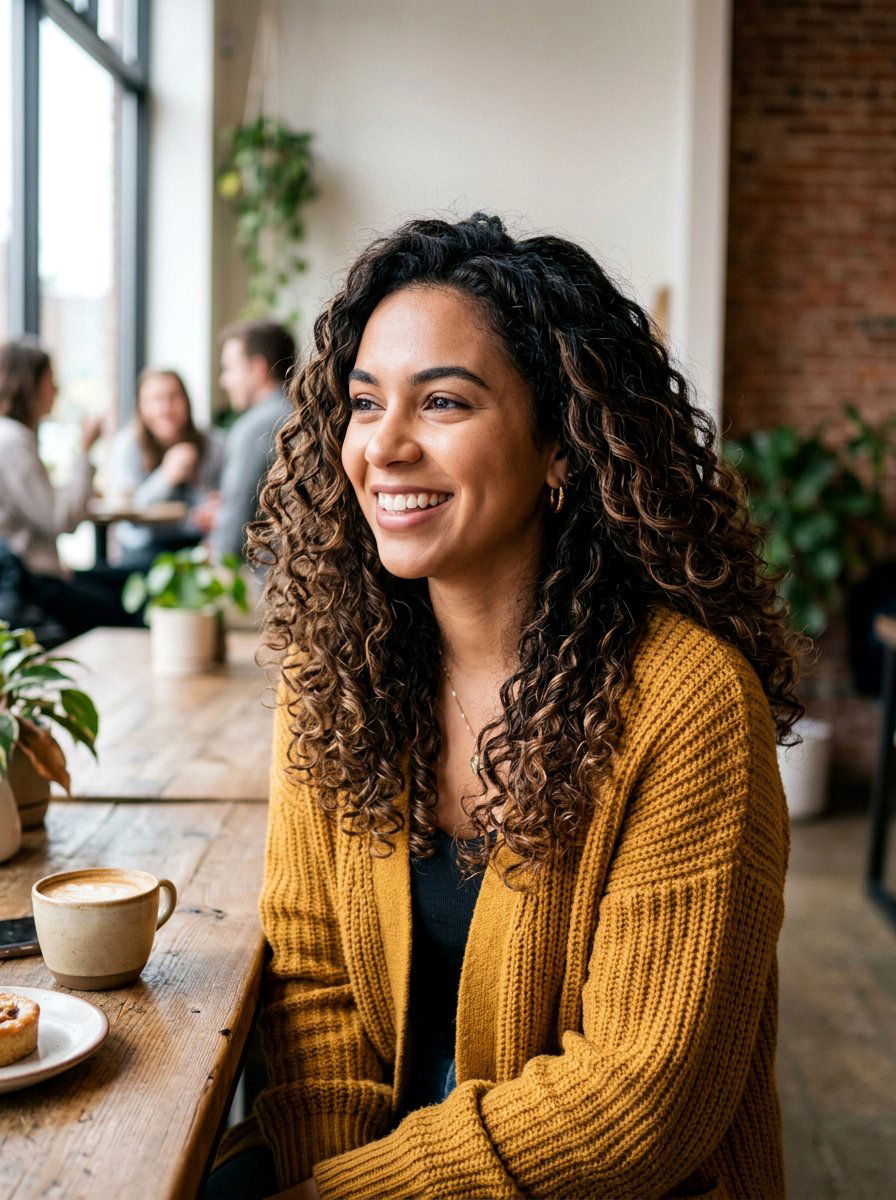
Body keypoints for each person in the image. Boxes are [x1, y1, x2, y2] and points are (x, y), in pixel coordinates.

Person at [207, 214, 802, 1200]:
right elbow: (310, 977)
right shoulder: (334, 675)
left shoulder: (686, 705)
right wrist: (329, 1171)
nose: (384, 446)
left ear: (560, 448)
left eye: (441, 402)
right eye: (363, 403)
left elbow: (638, 1098)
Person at [0, 338, 136, 637]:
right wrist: (85, 450)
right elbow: (61, 519)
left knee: (129, 579)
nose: (56, 390)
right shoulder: (13, 442)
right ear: (29, 384)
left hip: (39, 575)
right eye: (51, 381)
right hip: (34, 585)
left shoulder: (12, 438)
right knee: (129, 607)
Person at [105, 367, 224, 569]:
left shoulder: (213, 444)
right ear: (141, 407)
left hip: (198, 547)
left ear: (187, 402)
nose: (166, 409)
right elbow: (128, 515)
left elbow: (220, 503)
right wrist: (166, 477)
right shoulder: (127, 445)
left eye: (173, 398)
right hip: (143, 552)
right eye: (156, 400)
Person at [206, 320, 296, 561]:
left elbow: (234, 530)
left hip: (268, 576)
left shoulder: (255, 427)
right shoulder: (306, 414)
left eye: (229, 369)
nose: (223, 381)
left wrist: (214, 559)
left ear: (257, 369)